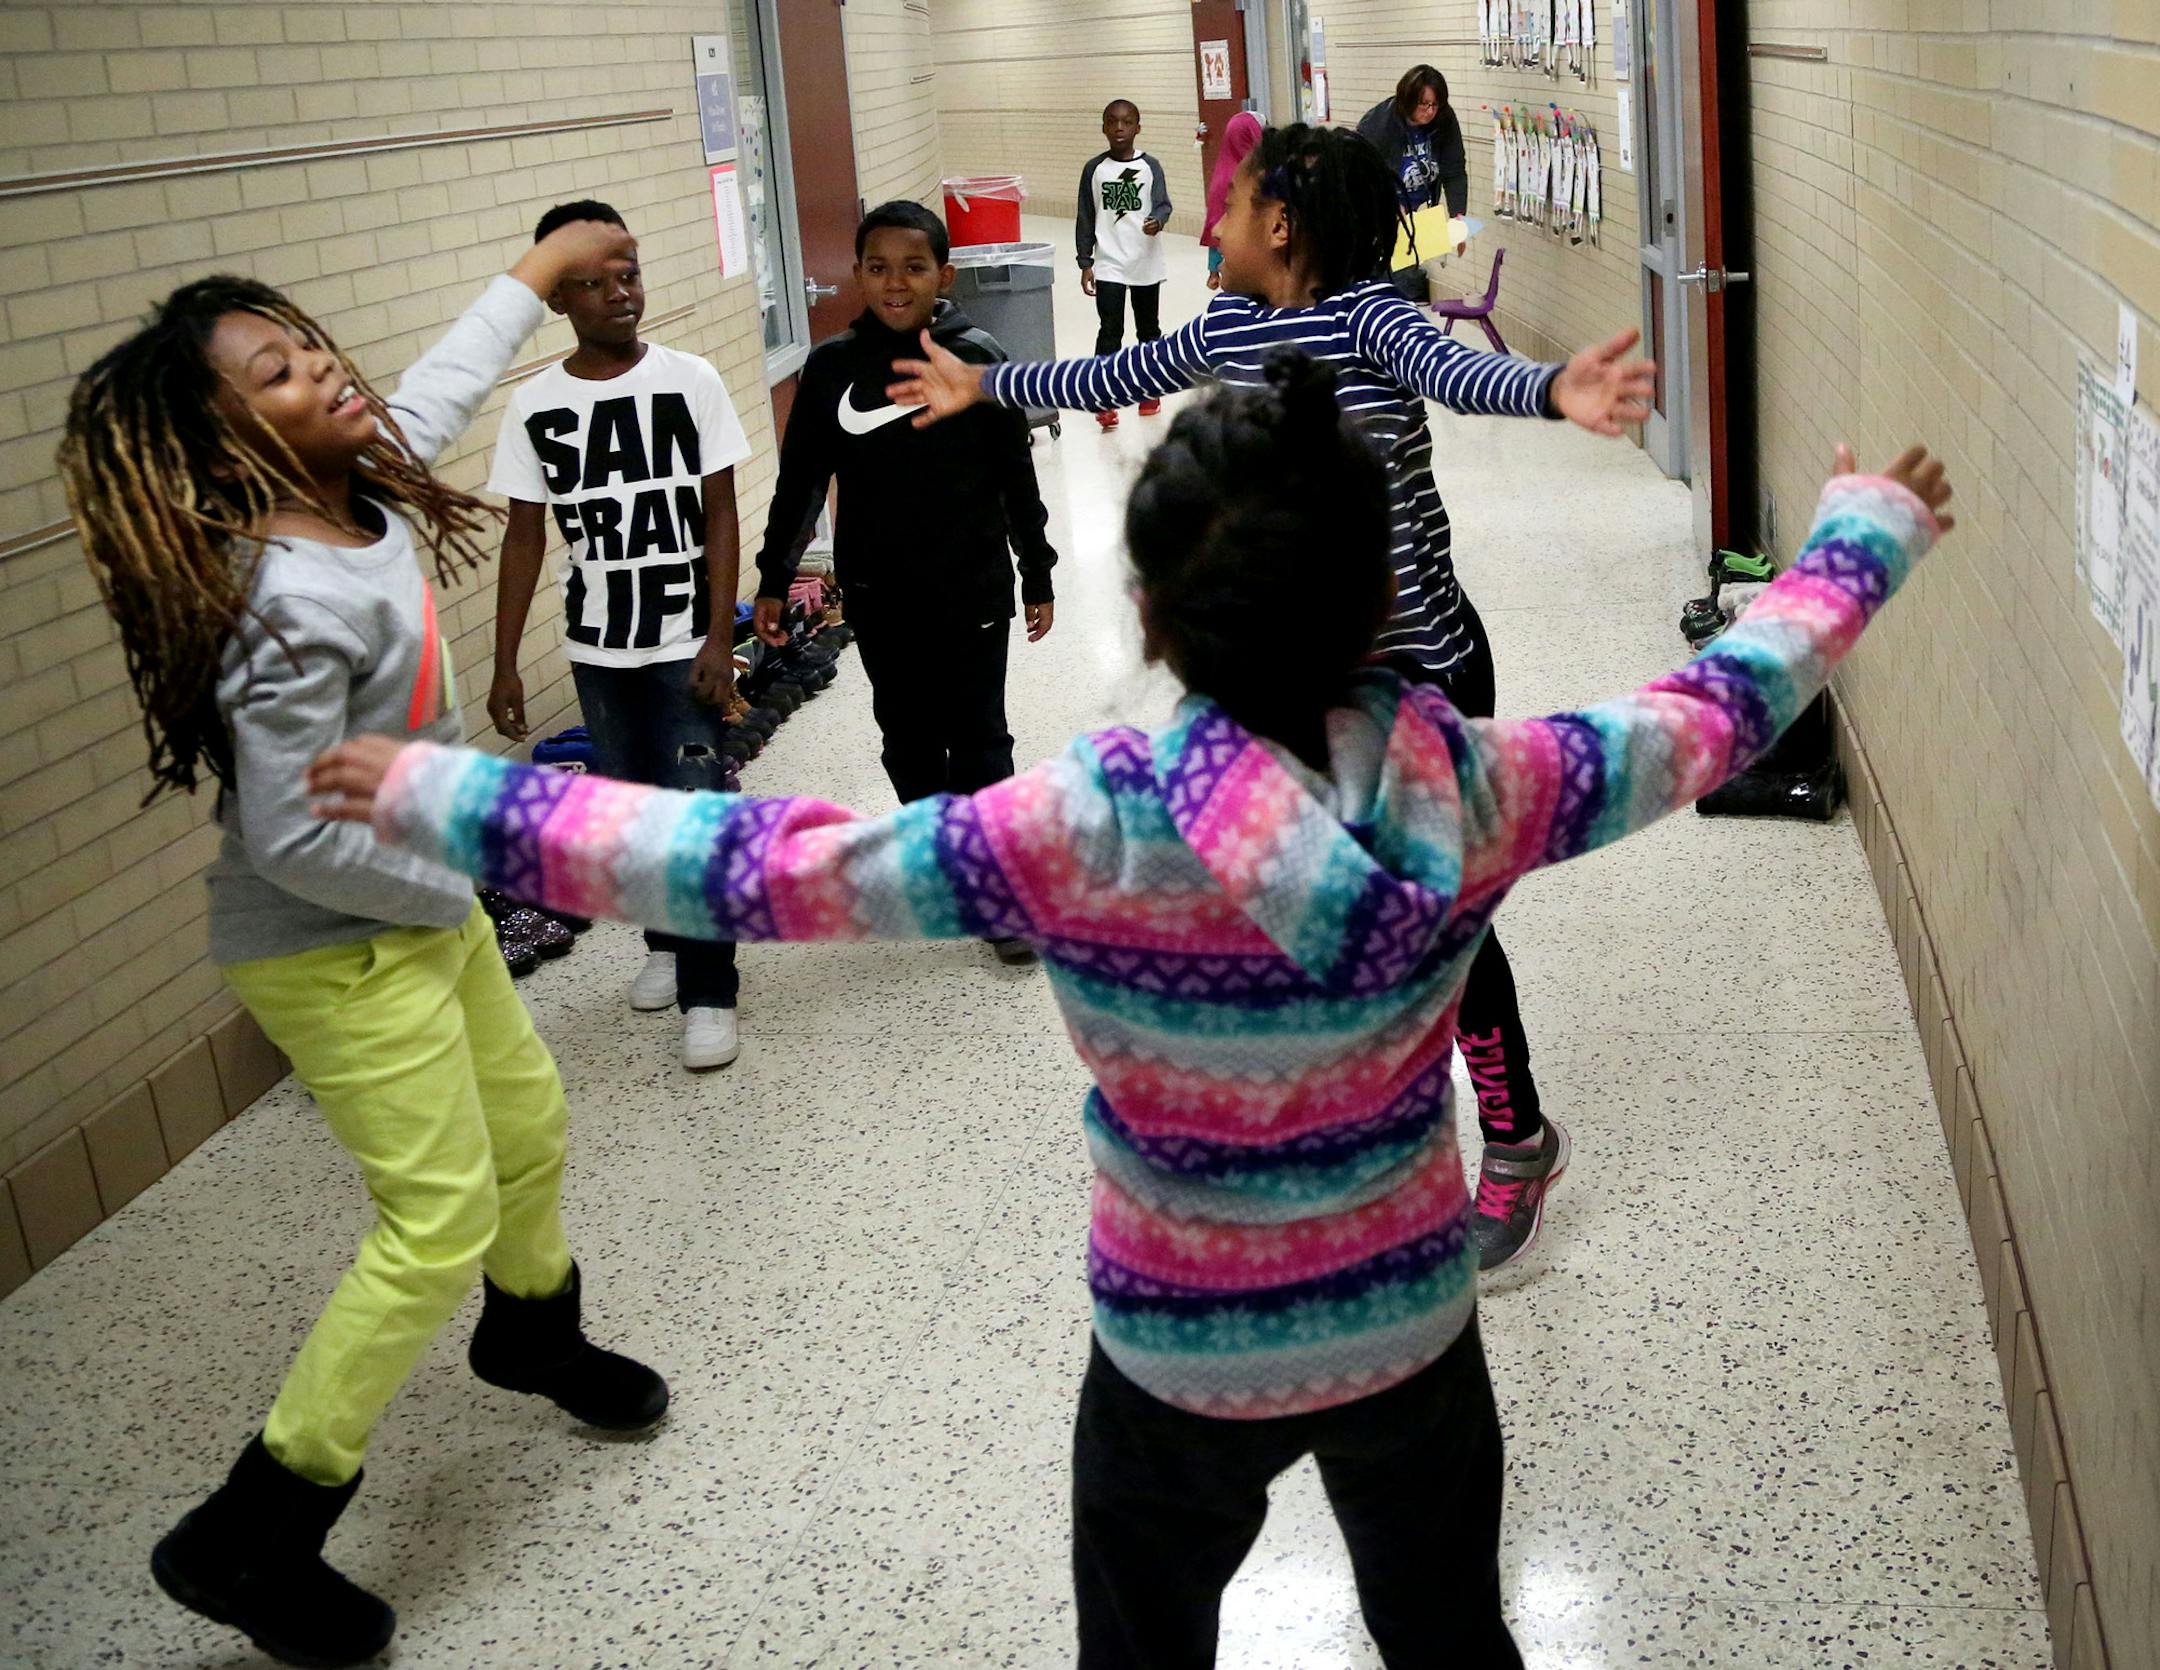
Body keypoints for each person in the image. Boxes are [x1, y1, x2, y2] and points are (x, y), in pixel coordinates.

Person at [313, 360, 1953, 1670]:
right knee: (1451, 1633)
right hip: (1406, 1331)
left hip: (1175, 1352)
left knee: (1145, 1644)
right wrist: (1862, 534)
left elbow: (757, 862)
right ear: (1387, 600)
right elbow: (1717, 710)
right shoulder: (1493, 786)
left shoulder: (1079, 826)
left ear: (1151, 620)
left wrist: (458, 802)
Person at [55, 223, 671, 1670]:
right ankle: (253, 1528)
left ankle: (531, 1331)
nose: (325, 370)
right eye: (278, 371)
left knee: (527, 1121)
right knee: (435, 1215)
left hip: (415, 895)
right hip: (330, 939)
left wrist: (538, 270)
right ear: (224, 440)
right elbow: (290, 838)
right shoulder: (277, 599)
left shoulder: (357, 489)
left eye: (313, 344)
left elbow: (444, 386)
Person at [889, 121, 1652, 1270]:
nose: (1216, 221)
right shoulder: (1234, 324)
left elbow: (1464, 371)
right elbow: (1114, 372)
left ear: (1282, 223)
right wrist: (990, 382)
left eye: (1233, 202)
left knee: (1451, 924)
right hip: (1302, 686)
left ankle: (1514, 1134)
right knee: (1324, 906)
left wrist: (1552, 389)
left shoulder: (1372, 315)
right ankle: (1360, 1117)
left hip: (1420, 673)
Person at [750, 200, 1057, 969]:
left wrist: (1037, 569)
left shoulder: (977, 354)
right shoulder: (831, 370)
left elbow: (1015, 475)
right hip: (880, 592)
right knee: (910, 737)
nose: (895, 282)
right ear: (856, 273)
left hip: (975, 586)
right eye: (878, 267)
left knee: (982, 735)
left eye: (914, 267)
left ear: (943, 275)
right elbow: (799, 487)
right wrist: (773, 580)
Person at [486, 198, 755, 1071]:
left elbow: (721, 512)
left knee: (695, 810)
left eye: (628, 275)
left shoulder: (691, 380)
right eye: (591, 284)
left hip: (686, 640)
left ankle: (710, 990)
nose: (617, 295)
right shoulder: (535, 406)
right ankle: (666, 945)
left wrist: (720, 636)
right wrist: (502, 665)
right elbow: (525, 534)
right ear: (557, 301)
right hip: (600, 645)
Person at [1077, 98, 1175, 429]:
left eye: (1127, 122)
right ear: (1104, 127)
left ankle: (1150, 390)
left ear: (1138, 128)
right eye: (1112, 122)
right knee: (1110, 330)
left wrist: (1157, 221)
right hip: (1109, 263)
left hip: (1145, 261)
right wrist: (1085, 261)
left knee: (1148, 329)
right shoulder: (1094, 169)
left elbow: (1163, 205)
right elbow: (1085, 216)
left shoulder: (1151, 166)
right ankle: (1104, 397)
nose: (1119, 128)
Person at [1357, 64, 1469, 302]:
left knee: (1405, 283)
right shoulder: (1378, 124)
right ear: (1407, 99)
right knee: (1383, 287)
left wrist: (1459, 218)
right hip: (1381, 218)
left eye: (1435, 105)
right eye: (1423, 104)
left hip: (1416, 218)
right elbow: (1362, 175)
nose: (1429, 112)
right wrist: (1389, 204)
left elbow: (1454, 171)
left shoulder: (1444, 121)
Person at [1201, 110, 1264, 290]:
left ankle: (1215, 271)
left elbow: (1213, 223)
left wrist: (1213, 269)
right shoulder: (1252, 172)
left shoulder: (1222, 168)